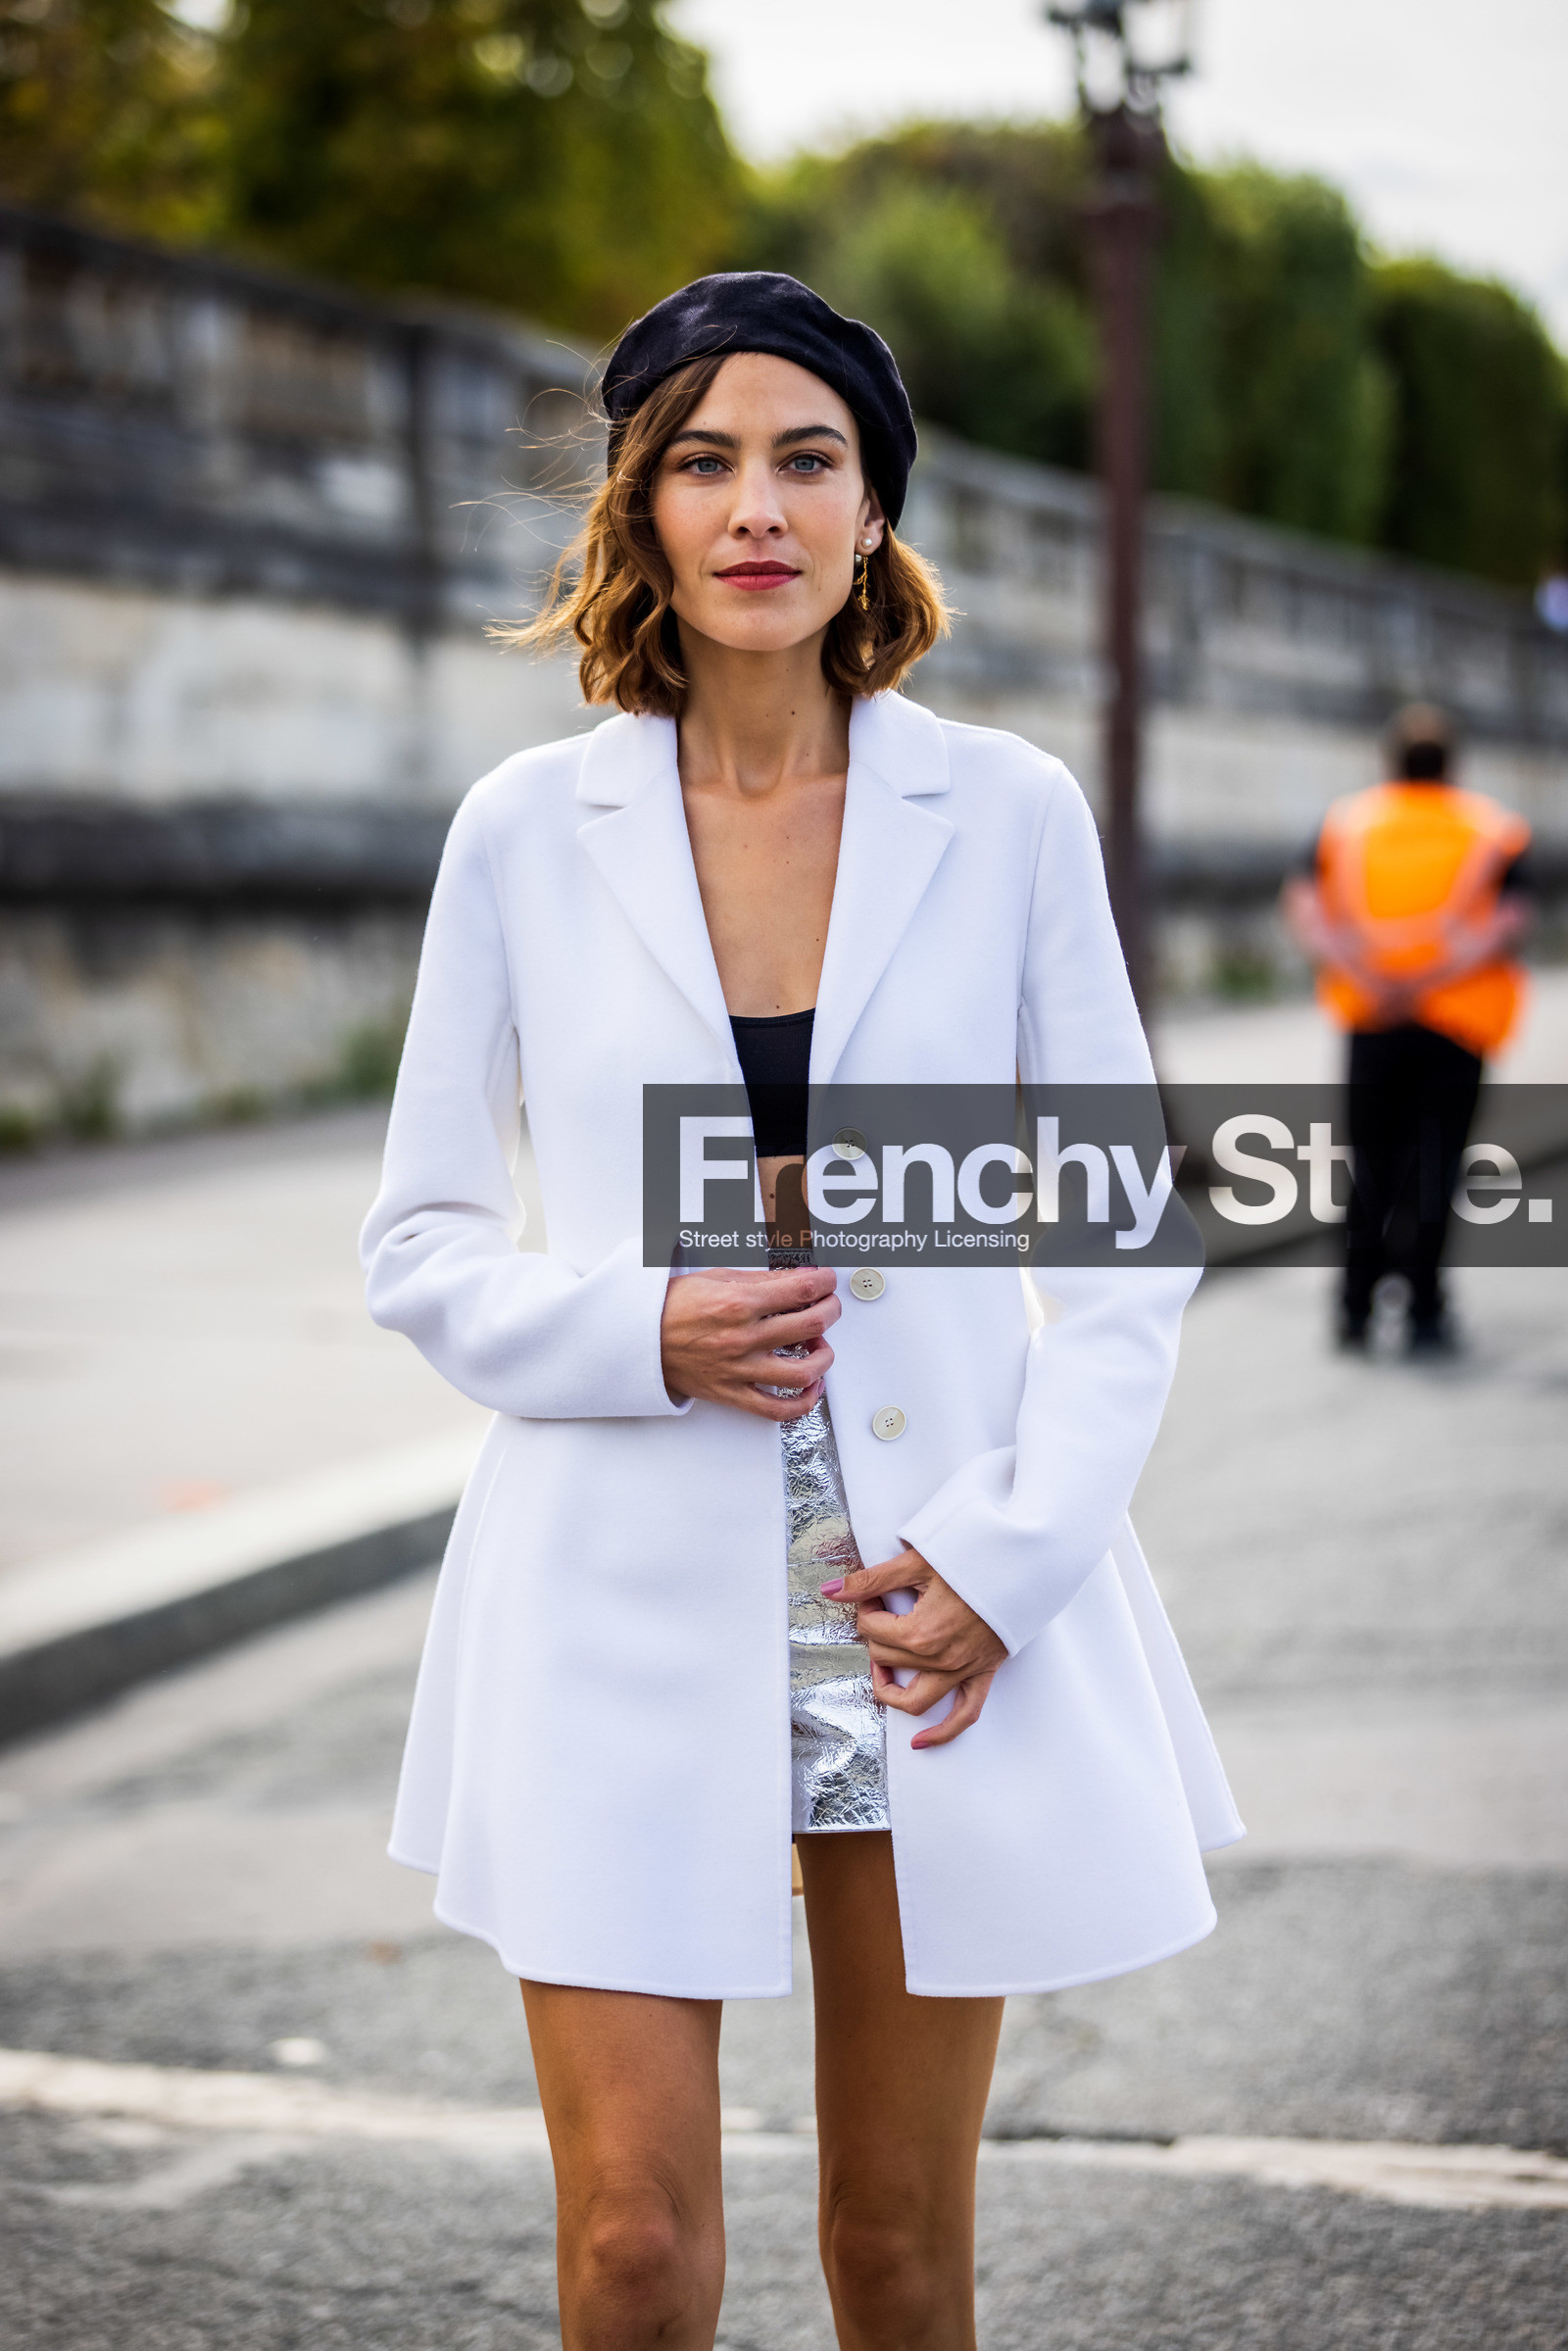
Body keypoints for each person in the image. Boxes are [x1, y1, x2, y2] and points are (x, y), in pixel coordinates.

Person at [361, 272, 1241, 2351]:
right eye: (701, 460)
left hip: (912, 1604)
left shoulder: (1005, 812)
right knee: (634, 2250)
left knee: (895, 2251)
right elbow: (418, 1238)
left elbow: (1124, 1235)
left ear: (871, 509)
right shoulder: (520, 831)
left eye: (806, 456)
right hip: (608, 1586)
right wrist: (637, 1324)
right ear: (639, 512)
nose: (753, 504)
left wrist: (1007, 1560)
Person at [1283, 704, 1533, 1355]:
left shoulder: (1346, 824)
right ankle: (1423, 1305)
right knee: (1435, 1163)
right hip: (1456, 1018)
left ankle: (1354, 1306)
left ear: (1388, 762)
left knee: (1370, 1161)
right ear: (1453, 765)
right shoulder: (1491, 829)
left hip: (1372, 1015)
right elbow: (1508, 922)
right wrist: (1430, 978)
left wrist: (1372, 978)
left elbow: (1308, 910)